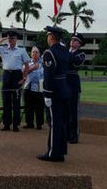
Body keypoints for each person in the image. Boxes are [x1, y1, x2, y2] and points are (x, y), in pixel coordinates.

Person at [37, 26, 71, 162]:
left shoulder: (49, 53)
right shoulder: (64, 51)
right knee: (62, 122)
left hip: (54, 91)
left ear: (51, 37)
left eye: (48, 36)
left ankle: (53, 153)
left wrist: (47, 94)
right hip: (64, 89)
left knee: (55, 123)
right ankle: (61, 151)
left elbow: (49, 75)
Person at [0, 30, 30, 132]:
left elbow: (27, 66)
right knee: (6, 101)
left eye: (12, 38)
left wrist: (24, 78)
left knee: (16, 101)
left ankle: (15, 125)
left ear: (16, 39)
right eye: (9, 38)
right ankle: (6, 124)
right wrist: (0, 41)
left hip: (17, 75)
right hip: (6, 75)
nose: (10, 40)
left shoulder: (21, 50)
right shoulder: (3, 48)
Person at [67, 32, 86, 144]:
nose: (72, 41)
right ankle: (66, 133)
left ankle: (74, 134)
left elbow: (75, 62)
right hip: (64, 82)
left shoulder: (81, 54)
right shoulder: (66, 52)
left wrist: (64, 53)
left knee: (73, 111)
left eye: (75, 40)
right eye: (72, 39)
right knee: (65, 111)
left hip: (73, 84)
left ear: (79, 44)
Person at [22, 46, 44, 130]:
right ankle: (29, 123)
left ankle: (39, 124)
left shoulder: (43, 63)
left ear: (39, 54)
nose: (34, 54)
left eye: (36, 52)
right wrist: (32, 68)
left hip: (40, 87)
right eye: (33, 52)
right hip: (28, 86)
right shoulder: (27, 63)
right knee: (28, 106)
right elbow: (23, 73)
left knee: (39, 106)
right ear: (30, 54)